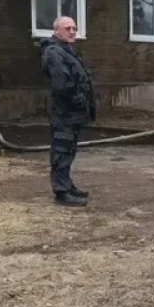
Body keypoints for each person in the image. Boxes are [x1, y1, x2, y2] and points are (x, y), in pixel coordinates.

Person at [41, 16, 96, 207]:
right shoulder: (54, 52)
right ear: (56, 31)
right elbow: (62, 85)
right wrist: (79, 101)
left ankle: (67, 185)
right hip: (65, 112)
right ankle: (61, 192)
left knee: (69, 150)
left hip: (72, 114)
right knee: (61, 150)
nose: (72, 31)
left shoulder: (66, 51)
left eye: (74, 28)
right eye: (67, 28)